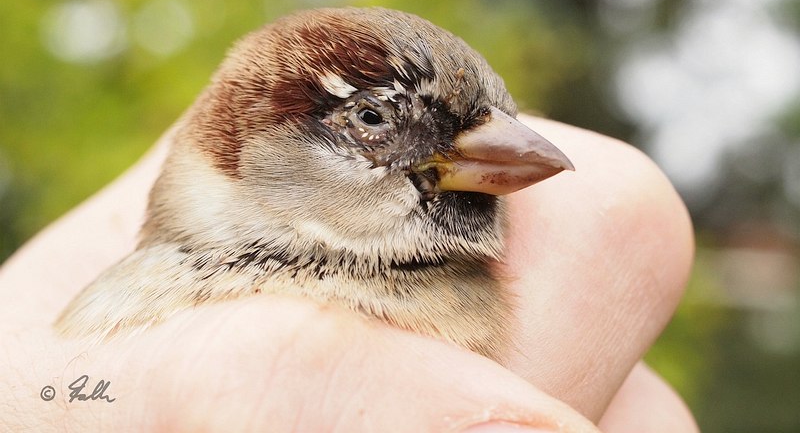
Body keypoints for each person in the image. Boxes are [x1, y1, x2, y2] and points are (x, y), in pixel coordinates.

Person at [0, 118, 698, 432]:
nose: (497, 149)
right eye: (372, 119)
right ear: (248, 140)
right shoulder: (113, 320)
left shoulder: (502, 299)